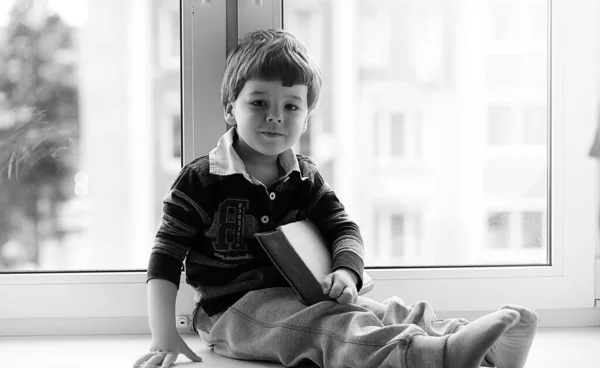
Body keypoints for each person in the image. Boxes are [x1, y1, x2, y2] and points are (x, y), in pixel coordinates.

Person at [133, 29, 538, 368]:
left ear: (306, 118)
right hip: (231, 314)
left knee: (379, 310)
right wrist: (164, 333)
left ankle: (477, 345)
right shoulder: (202, 179)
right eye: (259, 102)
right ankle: (434, 357)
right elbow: (166, 255)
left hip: (303, 292)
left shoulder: (305, 176)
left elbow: (343, 228)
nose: (275, 115)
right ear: (230, 109)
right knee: (332, 327)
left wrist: (347, 274)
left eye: (291, 106)